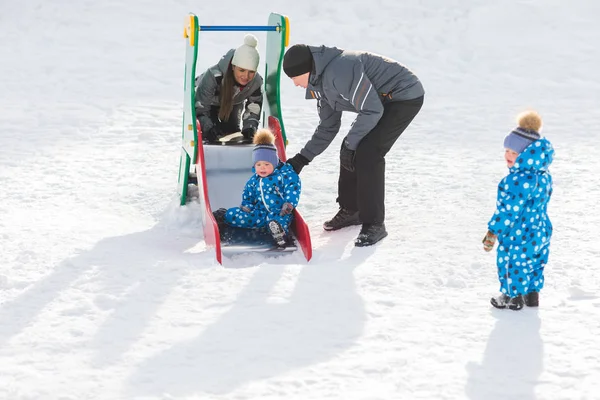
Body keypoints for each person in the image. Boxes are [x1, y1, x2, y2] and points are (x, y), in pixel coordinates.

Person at [282, 44, 424, 247]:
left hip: (403, 95)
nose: (295, 84)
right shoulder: (319, 83)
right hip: (381, 101)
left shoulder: (339, 71)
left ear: (307, 70)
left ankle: (374, 224)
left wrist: (351, 145)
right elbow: (327, 128)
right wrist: (301, 159)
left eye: (294, 78)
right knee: (351, 146)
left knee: (368, 152)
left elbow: (372, 110)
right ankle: (352, 209)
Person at [482, 110, 554, 311]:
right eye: (507, 150)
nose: (508, 156)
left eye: (514, 153)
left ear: (527, 156)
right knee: (534, 262)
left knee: (511, 263)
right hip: (540, 229)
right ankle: (532, 295)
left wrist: (492, 231)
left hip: (518, 232)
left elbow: (508, 212)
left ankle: (512, 297)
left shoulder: (517, 180)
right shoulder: (544, 175)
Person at [213, 129, 302, 247]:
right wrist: (247, 206)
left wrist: (289, 203)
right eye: (258, 165)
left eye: (266, 164)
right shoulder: (254, 180)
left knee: (277, 220)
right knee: (241, 216)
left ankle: (280, 234)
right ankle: (224, 216)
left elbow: (293, 187)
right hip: (259, 212)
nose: (262, 168)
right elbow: (248, 194)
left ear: (274, 163)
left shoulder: (284, 175)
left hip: (279, 211)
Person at [195, 34, 263, 143]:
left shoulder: (256, 82)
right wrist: (208, 127)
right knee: (212, 132)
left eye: (251, 72)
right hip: (208, 102)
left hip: (233, 102)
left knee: (232, 131)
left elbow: (254, 107)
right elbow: (201, 108)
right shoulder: (214, 76)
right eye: (241, 70)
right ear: (233, 67)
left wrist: (250, 126)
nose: (246, 76)